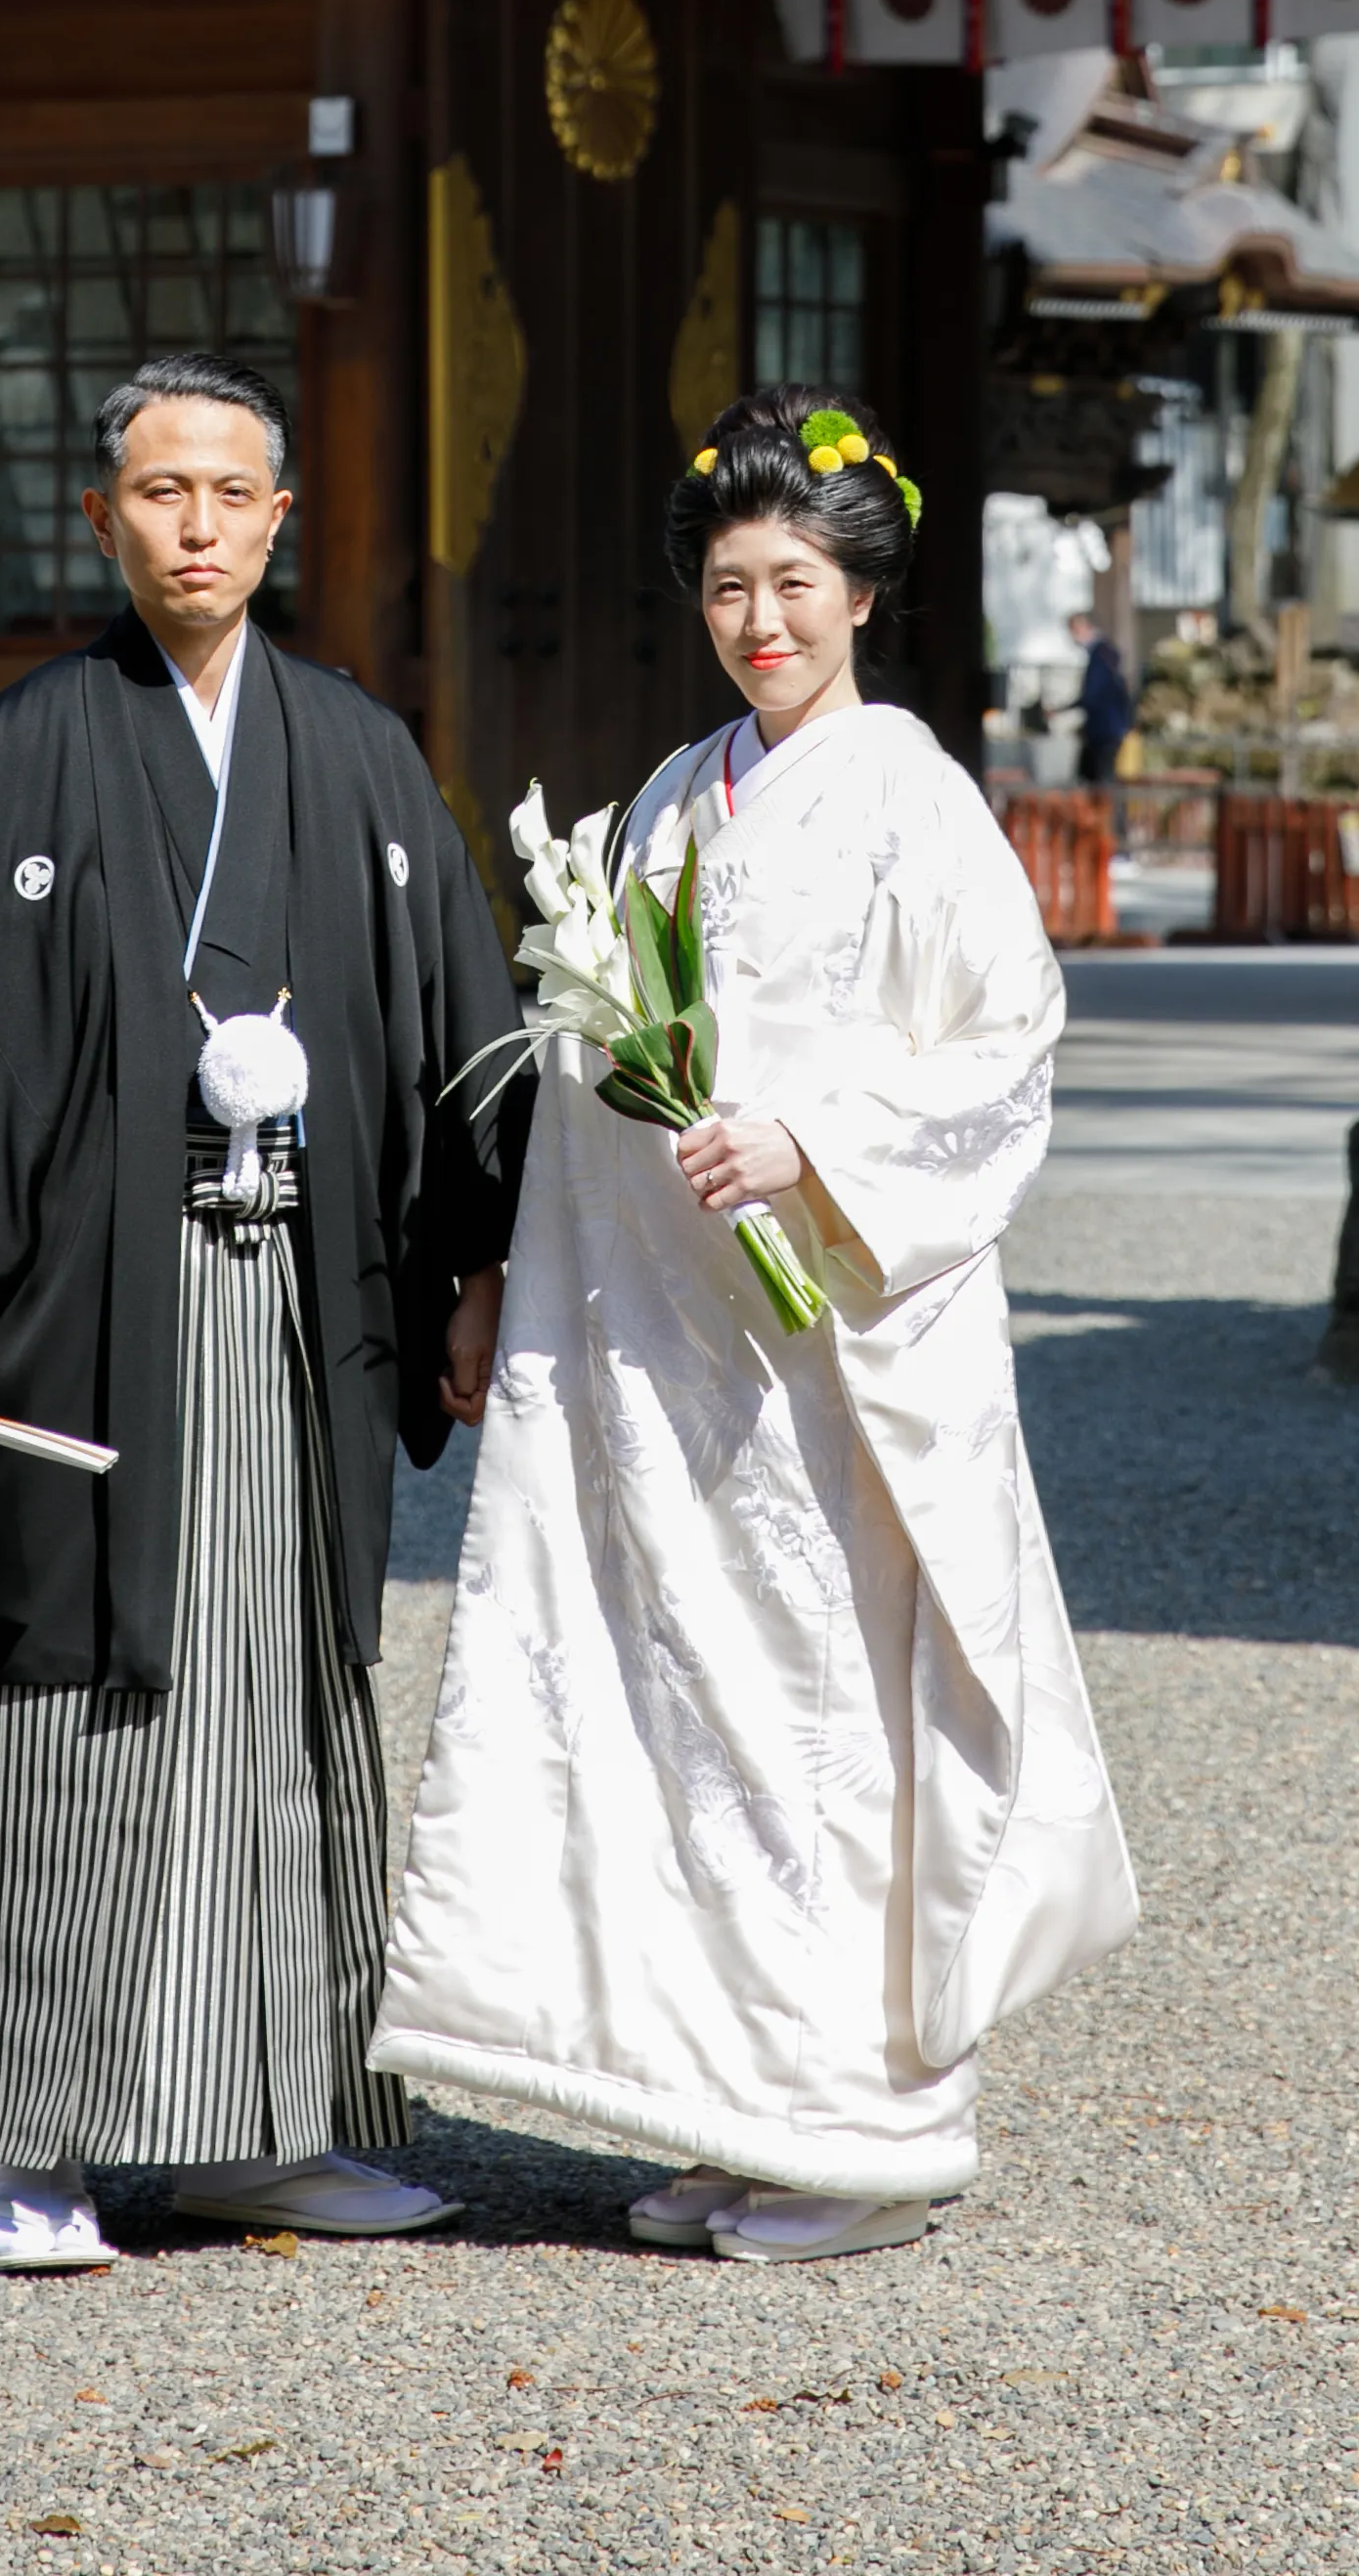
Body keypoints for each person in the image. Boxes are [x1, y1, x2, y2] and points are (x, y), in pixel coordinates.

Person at [0, 357, 519, 2276]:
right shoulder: (22, 750)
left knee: (284, 1691)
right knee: (73, 1692)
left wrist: (479, 1268)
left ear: (279, 519)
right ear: (102, 519)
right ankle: (37, 2146)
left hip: (307, 1312)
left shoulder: (358, 755)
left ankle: (274, 2127)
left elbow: (460, 1032)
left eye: (228, 492)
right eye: (158, 491)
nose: (195, 524)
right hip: (80, 1314)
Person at [371, 380, 1138, 2264]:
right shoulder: (668, 797)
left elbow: (1007, 1047)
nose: (761, 620)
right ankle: (735, 2104)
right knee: (696, 1711)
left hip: (842, 1340)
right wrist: (519, 1280)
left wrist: (816, 1145)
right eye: (729, 587)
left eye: (795, 583)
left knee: (833, 1715)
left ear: (862, 592)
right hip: (683, 1347)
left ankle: (869, 2133)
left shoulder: (915, 796)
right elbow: (591, 1059)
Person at [1070, 612, 1136, 786]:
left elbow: (1094, 693)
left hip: (1104, 729)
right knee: (1095, 777)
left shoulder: (1100, 655)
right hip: (1107, 727)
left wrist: (1067, 709)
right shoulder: (1104, 654)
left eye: (1075, 630)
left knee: (1100, 779)